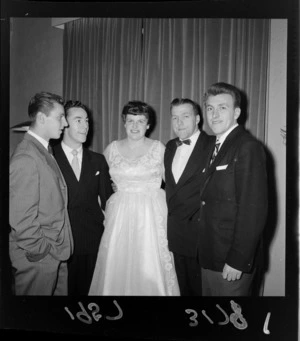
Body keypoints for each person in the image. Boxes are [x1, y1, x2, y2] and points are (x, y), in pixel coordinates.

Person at [89, 100, 180, 296]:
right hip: (120, 216)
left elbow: (173, 184)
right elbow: (101, 185)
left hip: (151, 215)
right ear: (124, 123)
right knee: (118, 264)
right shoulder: (111, 149)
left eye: (140, 121)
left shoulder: (158, 148)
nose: (135, 126)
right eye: (130, 121)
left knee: (150, 264)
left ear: (148, 124)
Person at [198, 82, 268, 296]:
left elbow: (253, 211)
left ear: (237, 112)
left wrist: (238, 260)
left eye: (222, 107)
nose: (214, 114)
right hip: (211, 255)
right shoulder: (213, 145)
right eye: (210, 108)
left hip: (232, 262)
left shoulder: (248, 147)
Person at [9, 92, 73, 295]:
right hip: (39, 258)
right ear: (41, 118)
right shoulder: (26, 157)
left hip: (53, 253)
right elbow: (21, 220)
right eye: (60, 117)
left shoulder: (42, 150)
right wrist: (43, 252)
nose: (65, 123)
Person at [53, 100, 113, 295]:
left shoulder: (98, 160)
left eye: (86, 120)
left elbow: (109, 202)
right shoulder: (49, 158)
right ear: (64, 123)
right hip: (60, 243)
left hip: (92, 242)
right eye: (78, 120)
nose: (85, 125)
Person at [164, 98, 215, 296]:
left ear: (197, 119)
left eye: (185, 116)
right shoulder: (169, 147)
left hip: (201, 236)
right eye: (175, 117)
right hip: (176, 234)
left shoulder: (212, 144)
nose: (179, 122)